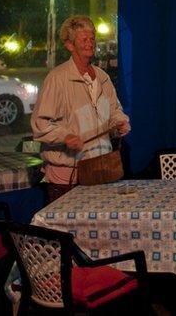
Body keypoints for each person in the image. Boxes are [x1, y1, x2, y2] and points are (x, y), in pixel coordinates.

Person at [32, 15, 130, 203]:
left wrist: (120, 122)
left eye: (92, 38)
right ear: (70, 45)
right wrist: (65, 137)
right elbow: (40, 124)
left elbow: (114, 110)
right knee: (66, 230)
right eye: (84, 39)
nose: (90, 43)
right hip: (67, 175)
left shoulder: (102, 77)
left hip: (100, 169)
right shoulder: (57, 78)